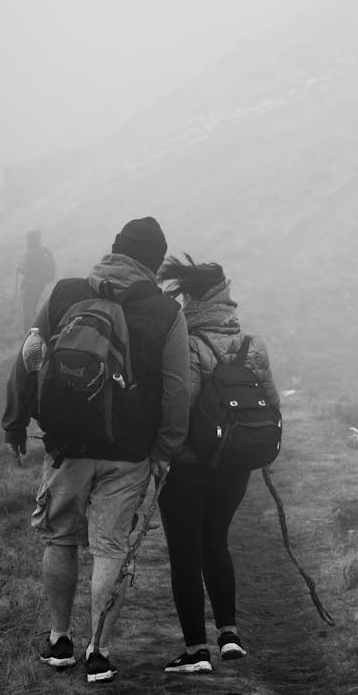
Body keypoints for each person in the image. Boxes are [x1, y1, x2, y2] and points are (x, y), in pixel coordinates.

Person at [2, 217, 190, 684]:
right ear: (153, 263)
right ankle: (99, 652)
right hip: (129, 454)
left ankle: (59, 639)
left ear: (114, 249)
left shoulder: (66, 292)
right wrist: (164, 451)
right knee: (110, 549)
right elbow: (176, 391)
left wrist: (16, 422)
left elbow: (29, 358)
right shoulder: (167, 313)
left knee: (60, 538)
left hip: (67, 444)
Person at [155, 254, 279, 674]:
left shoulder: (187, 343)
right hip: (235, 467)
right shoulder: (251, 344)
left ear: (191, 297)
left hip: (189, 468)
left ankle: (195, 652)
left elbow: (181, 411)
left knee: (185, 554)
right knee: (217, 544)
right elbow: (273, 406)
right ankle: (229, 635)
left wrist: (162, 457)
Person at [17, 230, 56, 332]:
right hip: (39, 285)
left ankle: (28, 333)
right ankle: (39, 329)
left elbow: (28, 271)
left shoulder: (31, 253)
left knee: (28, 312)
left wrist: (20, 269)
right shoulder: (43, 251)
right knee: (32, 308)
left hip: (30, 286)